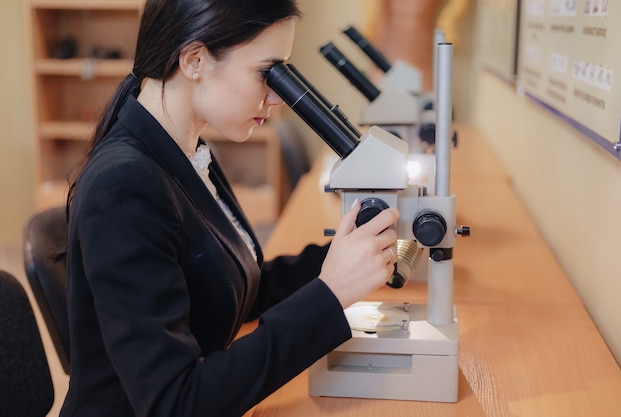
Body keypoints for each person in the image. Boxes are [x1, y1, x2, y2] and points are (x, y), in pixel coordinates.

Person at [60, 1, 399, 416]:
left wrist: (351, 259)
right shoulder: (124, 186)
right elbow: (177, 402)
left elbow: (238, 290)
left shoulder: (186, 148)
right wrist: (329, 296)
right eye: (267, 73)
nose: (277, 96)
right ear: (195, 60)